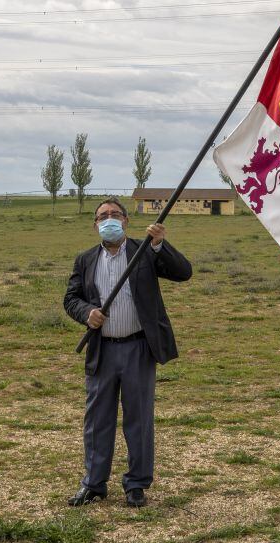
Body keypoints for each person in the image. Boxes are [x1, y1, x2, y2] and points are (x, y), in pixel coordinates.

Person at [63, 197, 192, 507]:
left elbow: (183, 272)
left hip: (138, 347)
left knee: (139, 418)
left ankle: (136, 484)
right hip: (102, 350)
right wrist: (87, 313)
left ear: (126, 220)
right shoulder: (85, 260)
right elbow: (71, 299)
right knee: (98, 419)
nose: (109, 219)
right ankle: (94, 484)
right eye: (103, 216)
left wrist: (161, 244)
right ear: (95, 225)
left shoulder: (144, 251)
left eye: (115, 214)